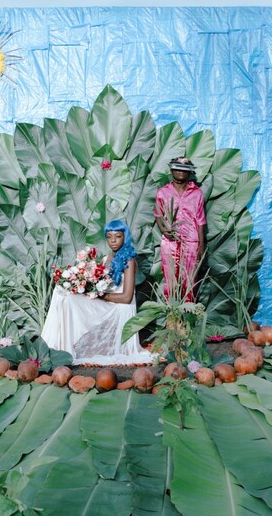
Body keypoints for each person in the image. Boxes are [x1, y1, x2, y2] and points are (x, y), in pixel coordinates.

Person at [40, 220, 154, 366]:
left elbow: (127, 298)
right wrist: (84, 285)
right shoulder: (106, 259)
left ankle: (66, 351)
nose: (113, 240)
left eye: (118, 236)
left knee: (70, 300)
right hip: (108, 302)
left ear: (125, 237)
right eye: (109, 236)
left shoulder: (129, 260)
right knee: (62, 292)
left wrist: (99, 296)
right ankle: (53, 347)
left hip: (120, 308)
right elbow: (99, 285)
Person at [154, 157, 206, 302]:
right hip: (170, 242)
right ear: (171, 171)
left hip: (191, 241)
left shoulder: (197, 193)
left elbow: (201, 221)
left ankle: (187, 316)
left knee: (189, 279)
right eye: (177, 168)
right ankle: (172, 315)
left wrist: (201, 246)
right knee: (170, 279)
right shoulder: (162, 192)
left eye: (185, 169)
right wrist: (163, 230)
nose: (181, 172)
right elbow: (158, 214)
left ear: (190, 172)